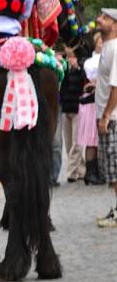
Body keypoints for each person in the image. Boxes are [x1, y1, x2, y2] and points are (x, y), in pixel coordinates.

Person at [94, 9, 117, 227]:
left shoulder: (116, 48)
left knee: (115, 168)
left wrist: (106, 116)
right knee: (111, 168)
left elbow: (116, 87)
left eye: (105, 18)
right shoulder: (108, 48)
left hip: (112, 118)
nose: (99, 19)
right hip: (107, 116)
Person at [78, 33, 104, 185]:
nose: (102, 44)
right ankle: (91, 172)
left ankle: (96, 171)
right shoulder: (91, 61)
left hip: (99, 100)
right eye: (99, 42)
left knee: (97, 139)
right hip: (91, 102)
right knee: (92, 139)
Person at [58, 47, 86, 182]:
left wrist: (78, 68)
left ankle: (70, 172)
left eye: (72, 56)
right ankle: (81, 170)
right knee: (69, 143)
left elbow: (84, 83)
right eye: (68, 57)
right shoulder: (64, 71)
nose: (70, 59)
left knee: (77, 142)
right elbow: (61, 87)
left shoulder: (82, 70)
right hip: (66, 109)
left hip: (77, 109)